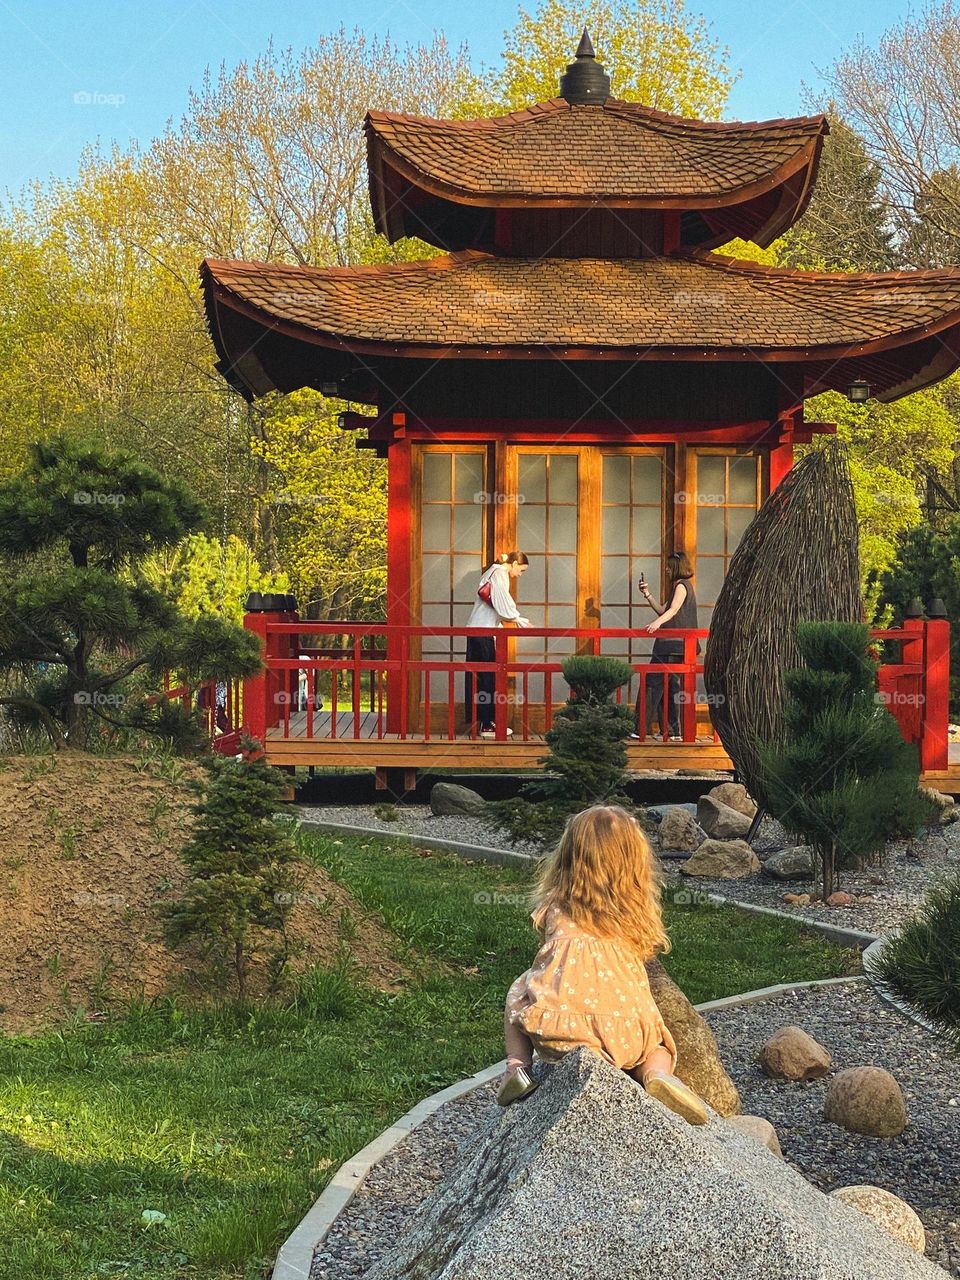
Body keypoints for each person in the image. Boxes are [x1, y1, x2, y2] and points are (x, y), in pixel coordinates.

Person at [498, 805, 708, 1125]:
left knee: (520, 989)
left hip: (557, 1030)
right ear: (635, 863)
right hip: (626, 1036)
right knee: (657, 1043)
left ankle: (517, 1067)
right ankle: (657, 1074)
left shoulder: (555, 906)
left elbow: (548, 963)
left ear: (569, 857)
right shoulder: (635, 916)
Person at [464, 551, 531, 738]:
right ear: (515, 563)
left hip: (477, 630)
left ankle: (484, 722)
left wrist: (514, 618)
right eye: (521, 570)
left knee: (479, 679)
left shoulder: (492, 571)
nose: (520, 575)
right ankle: (487, 725)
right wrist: (518, 618)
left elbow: (496, 605)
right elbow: (502, 603)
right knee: (488, 679)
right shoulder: (500, 574)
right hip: (483, 632)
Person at [633, 551, 699, 741]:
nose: (667, 569)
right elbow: (663, 609)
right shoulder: (681, 586)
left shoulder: (681, 586)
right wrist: (647, 595)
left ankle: (640, 729)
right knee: (670, 688)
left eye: (669, 566)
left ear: (677, 567)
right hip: (677, 645)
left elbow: (673, 610)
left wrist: (657, 623)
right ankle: (672, 731)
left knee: (652, 685)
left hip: (672, 644)